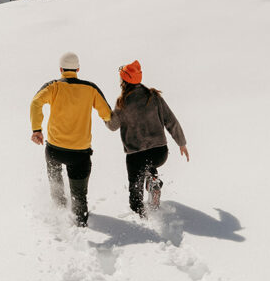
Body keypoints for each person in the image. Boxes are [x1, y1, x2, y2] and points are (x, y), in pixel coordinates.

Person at [30, 52, 113, 227]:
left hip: (54, 150)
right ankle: (80, 224)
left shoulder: (53, 86)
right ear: (78, 69)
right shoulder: (90, 88)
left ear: (61, 69)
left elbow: (36, 102)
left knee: (56, 184)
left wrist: (37, 129)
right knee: (79, 197)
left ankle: (59, 212)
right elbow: (107, 114)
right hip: (79, 154)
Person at [106, 60, 189, 216]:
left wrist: (105, 113)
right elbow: (171, 121)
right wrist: (182, 143)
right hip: (160, 153)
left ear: (124, 81)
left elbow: (112, 126)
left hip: (136, 156)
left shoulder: (122, 102)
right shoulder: (154, 96)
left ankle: (140, 216)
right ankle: (152, 181)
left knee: (135, 192)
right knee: (148, 165)